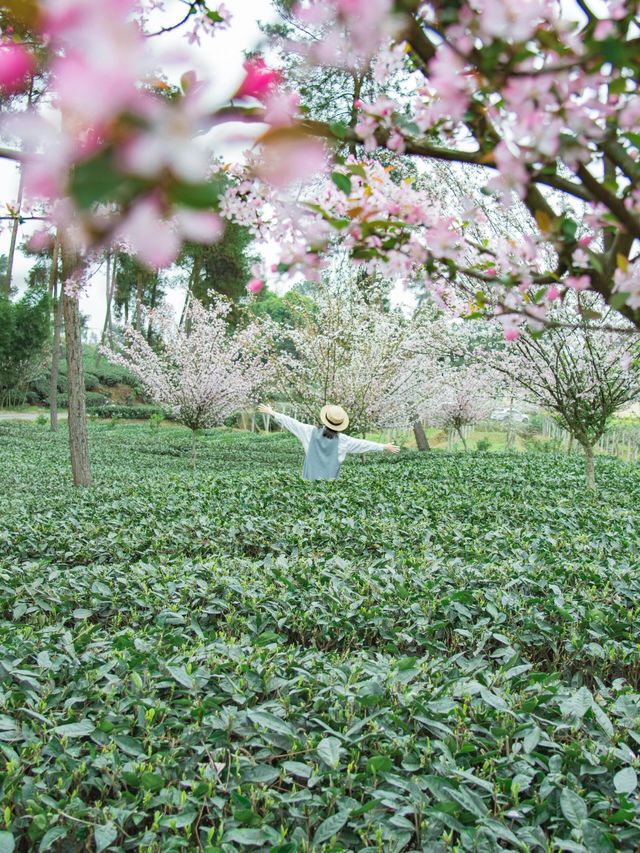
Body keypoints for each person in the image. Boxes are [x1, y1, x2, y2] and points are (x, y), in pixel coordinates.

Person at [258, 403, 400, 481]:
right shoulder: (344, 441)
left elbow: (292, 423)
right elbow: (362, 444)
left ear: (325, 419)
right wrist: (383, 446)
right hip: (330, 488)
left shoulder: (309, 432)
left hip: (307, 483)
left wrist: (273, 413)